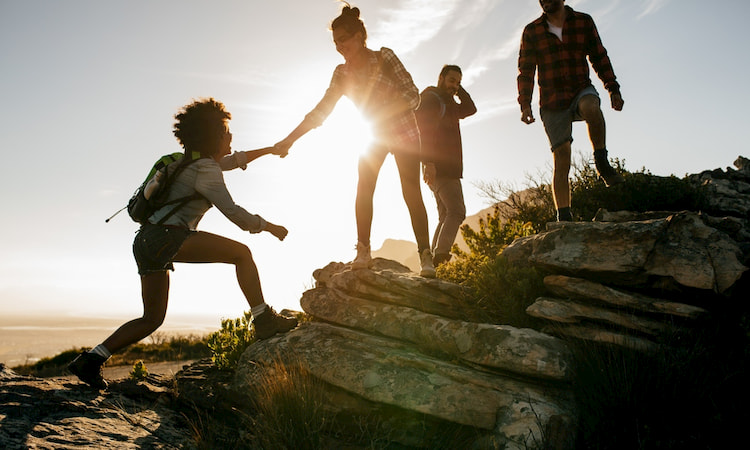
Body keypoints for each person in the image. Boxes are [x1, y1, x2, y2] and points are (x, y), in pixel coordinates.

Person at [68, 98, 297, 389]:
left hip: (146, 241)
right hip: (168, 237)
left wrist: (269, 150)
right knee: (242, 253)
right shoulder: (206, 169)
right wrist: (269, 227)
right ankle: (263, 319)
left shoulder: (184, 161)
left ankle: (91, 360)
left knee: (151, 319)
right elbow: (234, 213)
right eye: (227, 135)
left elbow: (231, 161)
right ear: (214, 137)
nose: (231, 140)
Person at [273, 2, 435, 278]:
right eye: (335, 42)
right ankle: (363, 251)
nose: (339, 46)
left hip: (403, 132)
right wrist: (290, 140)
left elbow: (413, 95)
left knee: (411, 191)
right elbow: (320, 111)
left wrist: (387, 110)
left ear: (359, 36)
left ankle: (425, 256)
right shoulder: (341, 73)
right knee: (364, 188)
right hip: (373, 134)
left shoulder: (385, 58)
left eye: (343, 40)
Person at [518, 0, 625, 222]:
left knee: (591, 107)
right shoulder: (532, 31)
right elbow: (526, 70)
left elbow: (599, 56)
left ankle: (601, 161)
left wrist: (612, 88)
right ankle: (564, 215)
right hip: (552, 100)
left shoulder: (583, 22)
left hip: (580, 88)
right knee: (562, 156)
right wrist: (525, 103)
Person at [416, 65, 477, 266]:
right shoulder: (432, 99)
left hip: (444, 167)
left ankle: (433, 260)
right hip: (440, 166)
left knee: (445, 215)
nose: (454, 85)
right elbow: (424, 131)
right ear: (441, 78)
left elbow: (470, 109)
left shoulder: (449, 103)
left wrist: (459, 90)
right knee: (457, 211)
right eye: (451, 80)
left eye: (458, 82)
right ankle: (440, 257)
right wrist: (429, 162)